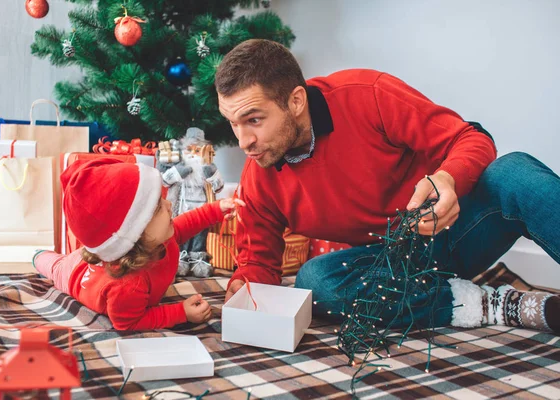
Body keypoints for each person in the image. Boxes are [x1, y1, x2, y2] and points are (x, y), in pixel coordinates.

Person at [214, 39, 560, 333]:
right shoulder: (259, 173)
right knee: (316, 282)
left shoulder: (367, 94)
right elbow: (258, 261)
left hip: (459, 227)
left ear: (296, 101)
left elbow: (470, 138)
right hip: (390, 269)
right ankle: (490, 303)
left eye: (254, 120)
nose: (244, 141)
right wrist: (243, 288)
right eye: (233, 124)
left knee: (514, 172)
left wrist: (447, 179)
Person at [33, 158, 244, 330]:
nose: (169, 205)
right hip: (71, 275)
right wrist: (180, 313)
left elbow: (187, 223)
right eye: (159, 208)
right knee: (51, 264)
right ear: (137, 232)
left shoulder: (157, 240)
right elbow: (128, 323)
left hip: (91, 256)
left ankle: (39, 255)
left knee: (61, 259)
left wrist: (217, 209)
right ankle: (35, 255)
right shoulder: (128, 286)